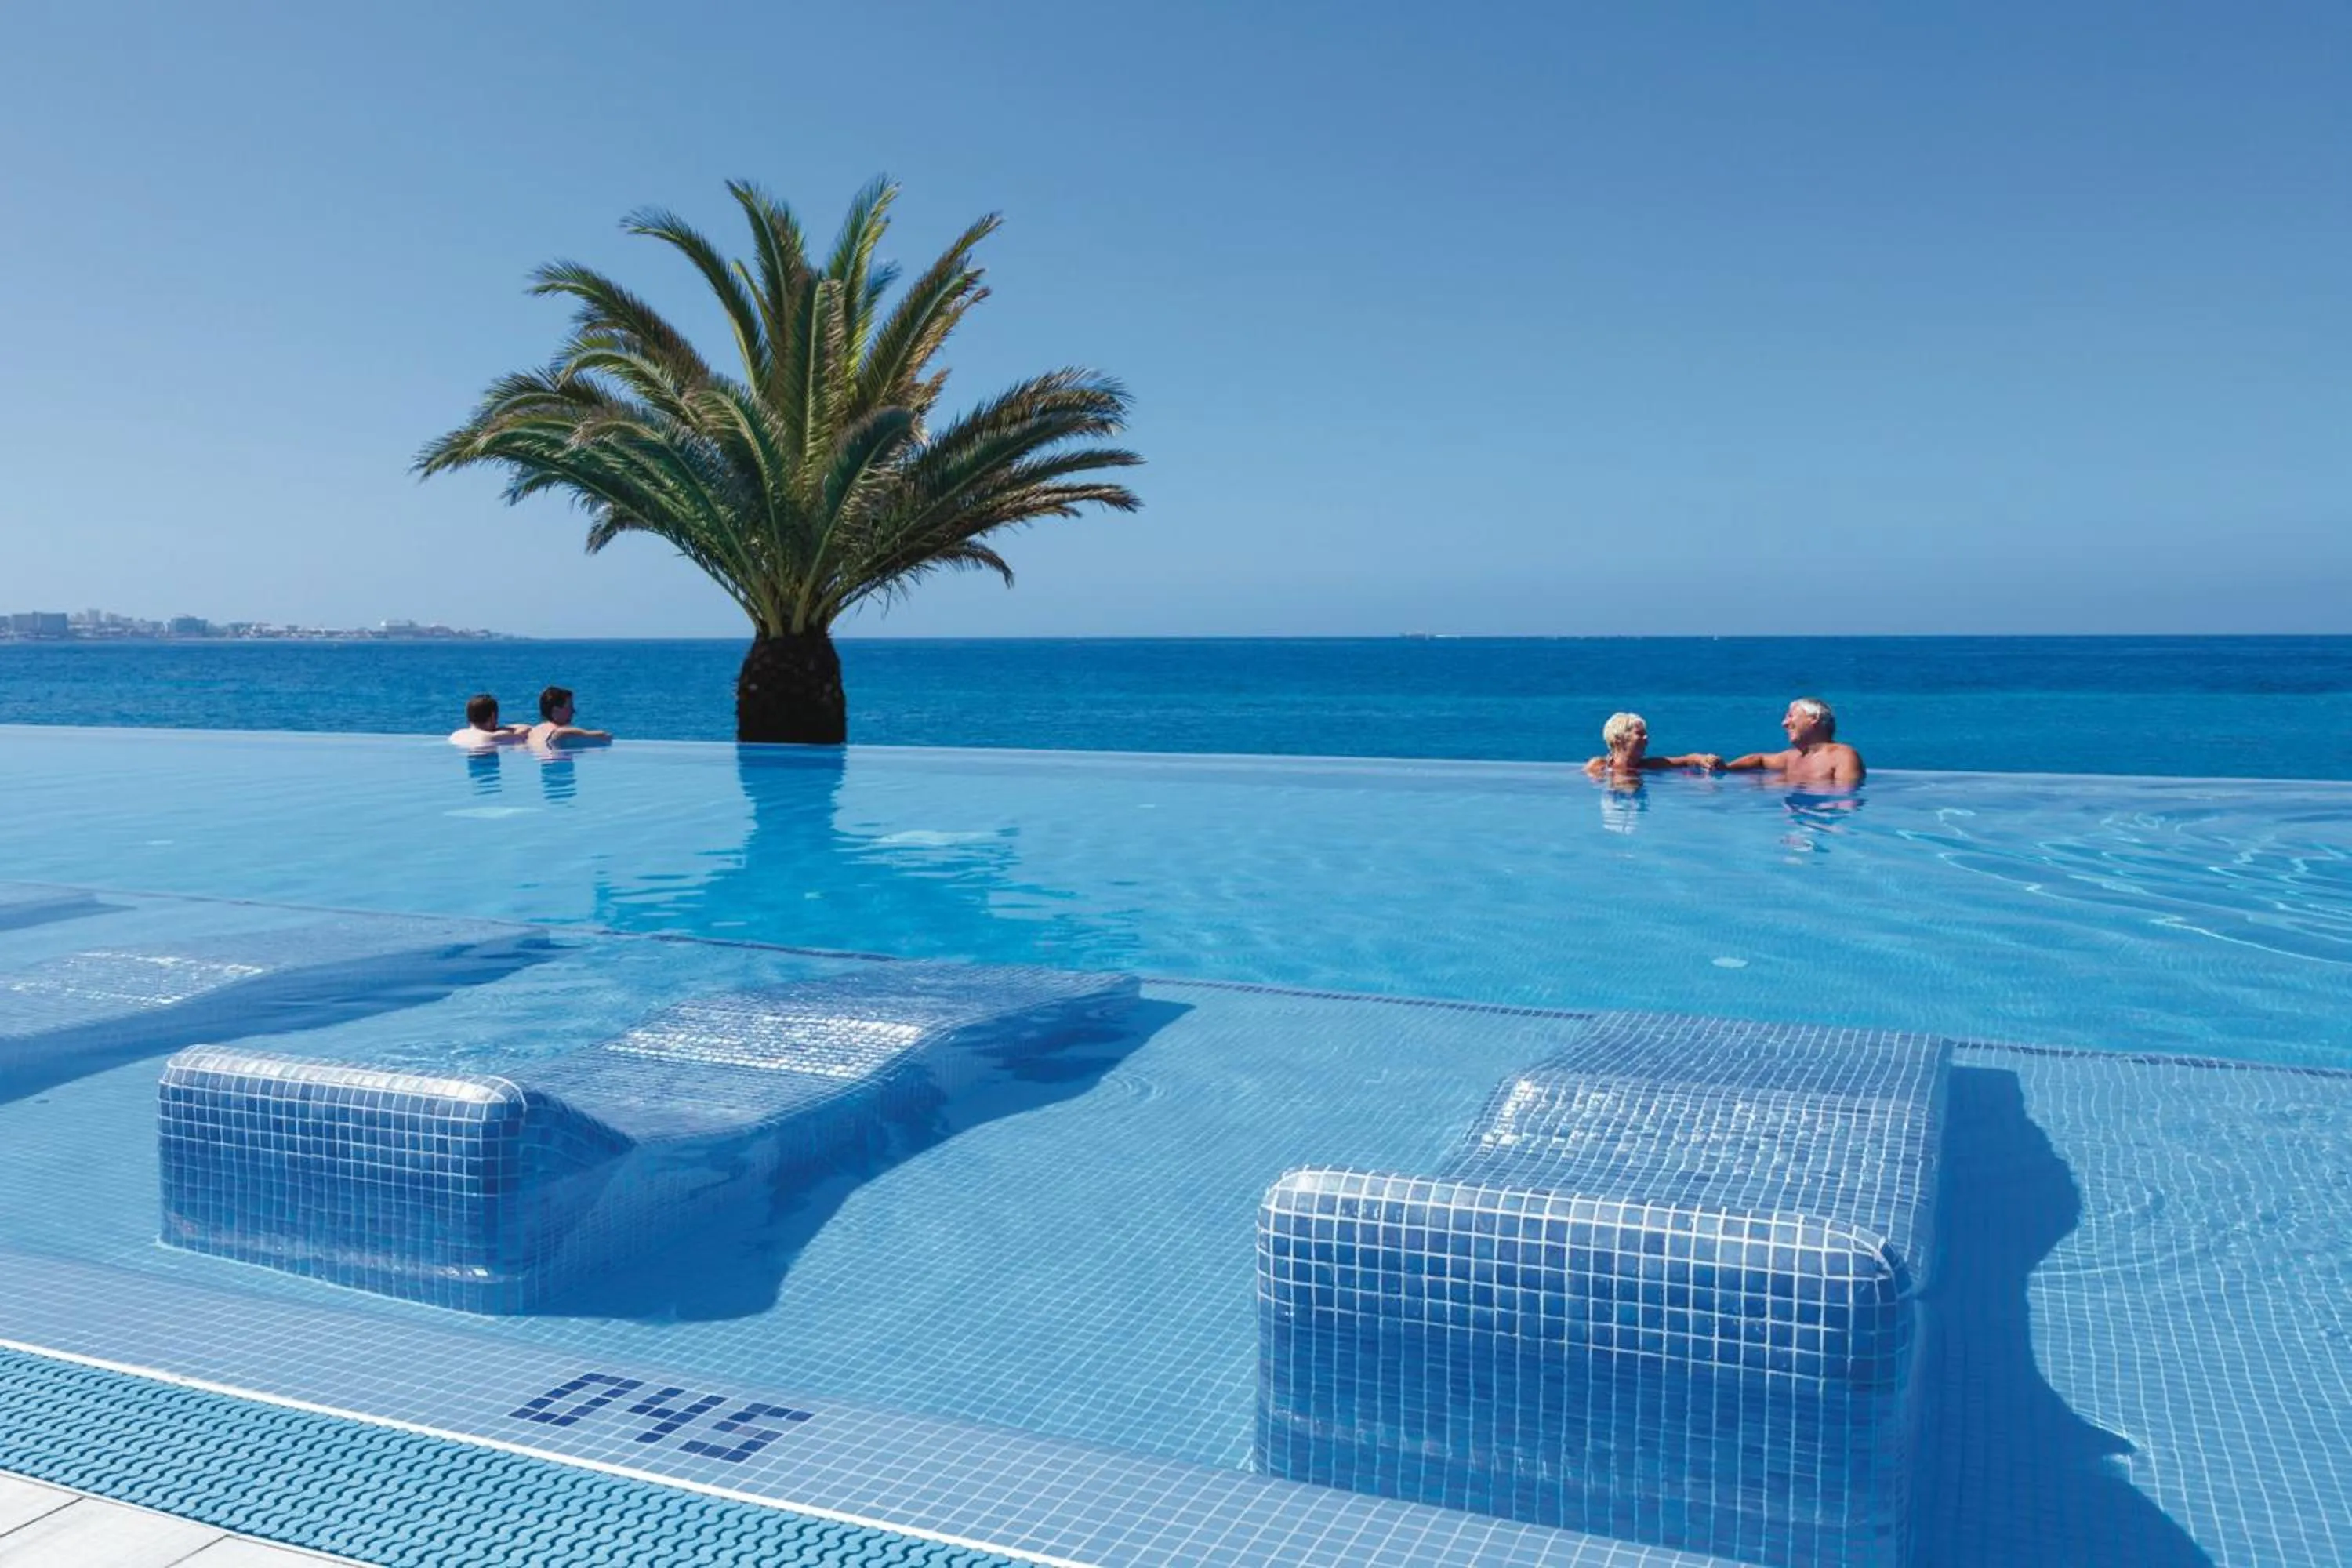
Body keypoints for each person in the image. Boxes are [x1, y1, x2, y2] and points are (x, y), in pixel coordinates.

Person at [1705, 697, 1865, 786]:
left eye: (1790, 716)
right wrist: (1727, 767)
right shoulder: (1791, 757)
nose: (1784, 723)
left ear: (1814, 719)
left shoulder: (1842, 756)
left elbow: (1847, 800)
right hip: (1797, 814)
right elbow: (1760, 760)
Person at [1584, 712, 1714, 780]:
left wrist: (1704, 759)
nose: (1647, 738)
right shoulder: (1599, 766)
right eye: (1640, 734)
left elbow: (1687, 759)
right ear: (1620, 739)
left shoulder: (1648, 765)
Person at [528, 685, 613, 750]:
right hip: (559, 764)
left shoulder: (533, 732)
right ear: (556, 710)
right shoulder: (562, 733)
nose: (573, 711)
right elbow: (605, 737)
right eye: (569, 707)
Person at [448, 693, 527, 747]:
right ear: (493, 716)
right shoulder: (491, 737)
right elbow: (525, 731)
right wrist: (500, 728)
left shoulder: (456, 735)